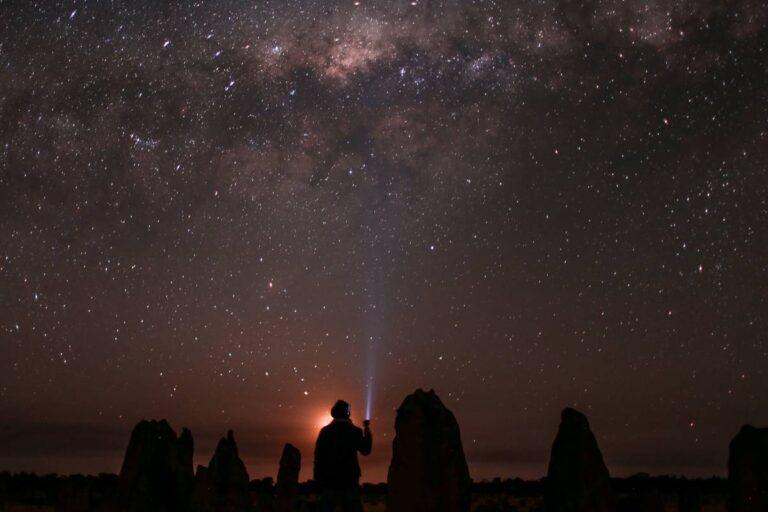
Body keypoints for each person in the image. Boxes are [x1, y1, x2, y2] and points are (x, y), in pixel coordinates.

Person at [314, 399, 372, 512]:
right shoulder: (355, 431)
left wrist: (318, 478)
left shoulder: (325, 431)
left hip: (329, 478)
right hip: (349, 478)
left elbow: (318, 456)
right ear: (348, 413)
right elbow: (366, 450)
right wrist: (367, 430)